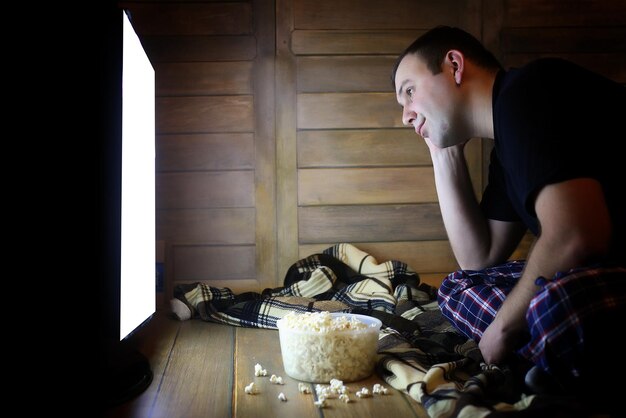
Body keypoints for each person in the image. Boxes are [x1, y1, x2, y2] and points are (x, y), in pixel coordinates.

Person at [392, 25, 625, 409]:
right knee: (457, 287)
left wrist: (502, 328)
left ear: (454, 65)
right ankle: (555, 354)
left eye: (410, 92)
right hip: (601, 281)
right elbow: (477, 259)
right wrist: (443, 152)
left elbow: (578, 236)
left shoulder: (530, 92)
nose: (405, 115)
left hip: (603, 279)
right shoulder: (506, 144)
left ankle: (547, 350)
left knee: (554, 306)